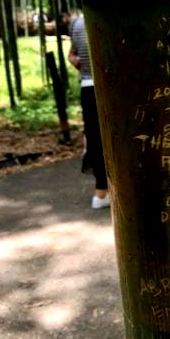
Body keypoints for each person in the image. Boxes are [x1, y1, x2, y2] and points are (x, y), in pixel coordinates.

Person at [68, 13, 109, 209]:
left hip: (87, 85)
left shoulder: (76, 23)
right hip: (111, 86)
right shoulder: (111, 16)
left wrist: (82, 64)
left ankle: (101, 192)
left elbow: (72, 56)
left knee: (95, 139)